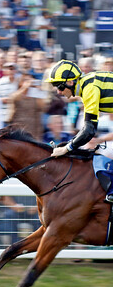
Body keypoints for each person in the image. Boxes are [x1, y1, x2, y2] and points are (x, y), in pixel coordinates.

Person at [46, 60, 113, 202]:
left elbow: (89, 130)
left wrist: (66, 148)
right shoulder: (87, 84)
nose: (58, 91)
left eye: (59, 86)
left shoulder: (89, 88)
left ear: (70, 82)